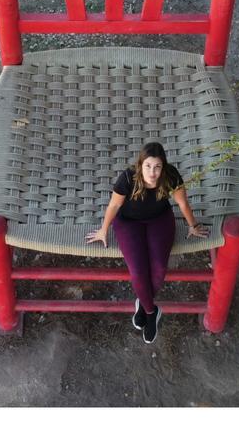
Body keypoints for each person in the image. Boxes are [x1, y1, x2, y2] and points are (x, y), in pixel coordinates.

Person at [86, 142, 208, 343]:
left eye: (157, 166)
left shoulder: (171, 175)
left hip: (159, 219)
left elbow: (183, 203)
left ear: (163, 166)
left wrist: (193, 226)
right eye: (148, 166)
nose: (152, 172)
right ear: (140, 165)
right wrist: (103, 229)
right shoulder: (128, 177)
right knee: (138, 271)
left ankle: (143, 305)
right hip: (128, 223)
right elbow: (115, 204)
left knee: (159, 268)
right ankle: (152, 313)